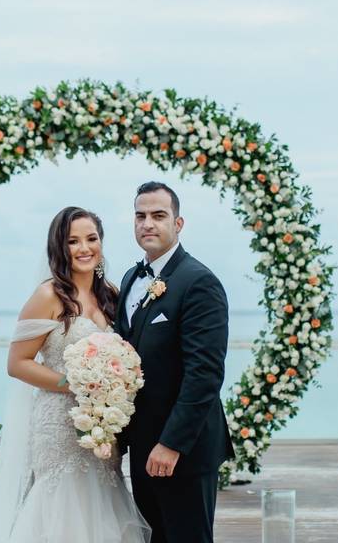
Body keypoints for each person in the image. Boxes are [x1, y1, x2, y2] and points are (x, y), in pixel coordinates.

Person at [0, 206, 151, 543]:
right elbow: (18, 362)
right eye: (73, 241)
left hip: (101, 423)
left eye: (91, 238)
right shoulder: (48, 296)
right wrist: (74, 383)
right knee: (61, 509)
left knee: (103, 504)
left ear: (101, 243)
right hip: (58, 424)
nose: (84, 248)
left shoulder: (111, 294)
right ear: (60, 247)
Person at [115, 181, 236, 543]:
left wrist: (172, 444)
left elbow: (205, 374)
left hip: (185, 450)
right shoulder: (131, 277)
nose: (147, 224)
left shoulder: (199, 282)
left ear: (178, 224)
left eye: (158, 215)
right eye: (140, 216)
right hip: (143, 447)